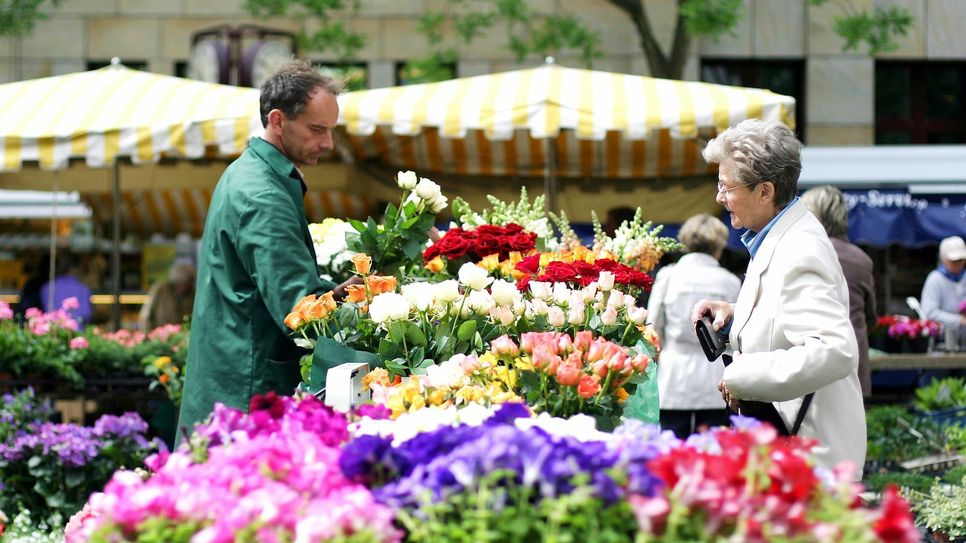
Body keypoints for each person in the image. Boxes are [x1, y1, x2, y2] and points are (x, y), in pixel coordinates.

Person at [176, 60, 359, 440]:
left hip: (238, 382)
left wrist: (342, 292)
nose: (328, 143)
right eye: (317, 129)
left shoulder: (251, 175)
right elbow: (301, 314)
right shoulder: (263, 195)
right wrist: (374, 312)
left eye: (331, 130)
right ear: (278, 121)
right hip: (248, 396)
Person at [690, 119, 865, 478]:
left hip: (809, 460)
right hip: (793, 453)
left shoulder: (800, 249)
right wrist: (738, 315)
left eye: (726, 186)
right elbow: (786, 318)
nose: (719, 197)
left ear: (765, 191)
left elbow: (835, 350)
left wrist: (741, 374)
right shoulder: (782, 236)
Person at [647, 213, 740, 438]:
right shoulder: (730, 281)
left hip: (673, 376)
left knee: (669, 445)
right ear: (719, 245)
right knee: (711, 447)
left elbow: (653, 328)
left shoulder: (668, 276)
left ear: (685, 242)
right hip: (715, 376)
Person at [801, 185, 877, 398]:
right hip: (854, 366)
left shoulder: (804, 252)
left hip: (812, 367)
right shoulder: (861, 260)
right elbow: (871, 319)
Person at [921, 235, 966, 350]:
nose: (958, 264)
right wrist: (958, 320)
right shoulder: (935, 279)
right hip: (940, 344)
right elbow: (929, 312)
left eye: (961, 260)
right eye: (954, 261)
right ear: (944, 259)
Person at [138, 261, 196, 331]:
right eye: (181, 284)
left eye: (187, 284)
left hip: (181, 335)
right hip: (159, 334)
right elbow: (146, 316)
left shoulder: (192, 293)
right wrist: (147, 333)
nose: (184, 288)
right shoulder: (160, 289)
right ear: (175, 281)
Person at [39, 251, 92, 324]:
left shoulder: (47, 287)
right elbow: (86, 314)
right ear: (74, 268)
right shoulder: (83, 289)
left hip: (53, 329)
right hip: (76, 330)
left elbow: (47, 312)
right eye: (81, 268)